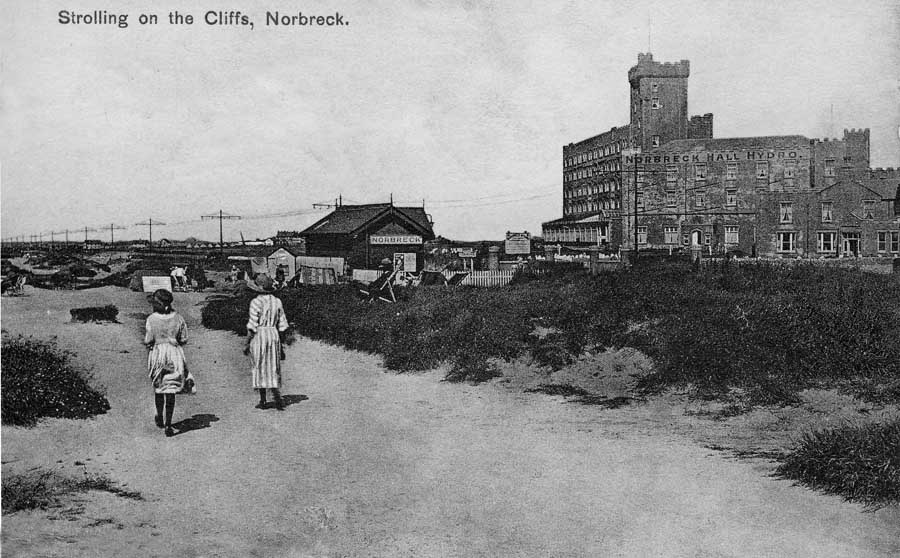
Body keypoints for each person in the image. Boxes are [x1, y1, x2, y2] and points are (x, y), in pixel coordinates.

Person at [144, 289, 190, 437]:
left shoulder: (151, 319)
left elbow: (148, 340)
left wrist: (153, 343)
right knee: (171, 389)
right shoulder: (178, 318)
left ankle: (159, 416)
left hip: (158, 354)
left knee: (159, 388)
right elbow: (183, 339)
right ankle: (169, 424)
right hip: (174, 353)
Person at [244, 274, 289, 410]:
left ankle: (263, 399)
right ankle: (276, 394)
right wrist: (281, 343)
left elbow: (252, 325)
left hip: (260, 334)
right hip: (273, 334)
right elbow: (282, 324)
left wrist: (247, 343)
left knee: (259, 363)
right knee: (272, 364)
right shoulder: (277, 301)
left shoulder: (256, 302)